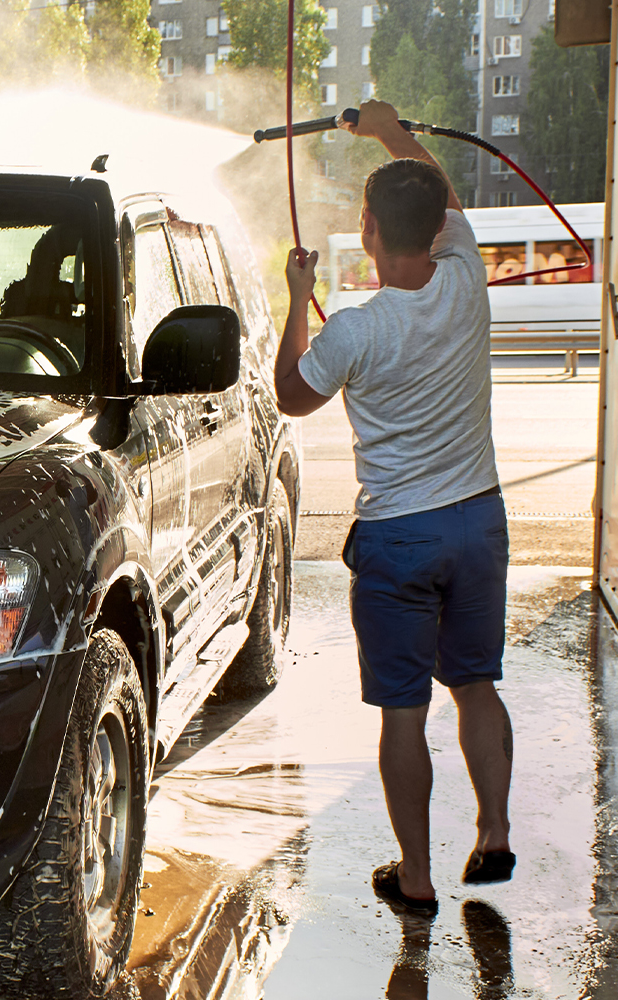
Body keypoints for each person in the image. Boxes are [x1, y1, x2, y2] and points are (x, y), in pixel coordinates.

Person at [275, 99, 514, 916]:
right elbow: (440, 197)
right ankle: (495, 833)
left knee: (404, 714)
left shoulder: (353, 330)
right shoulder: (467, 273)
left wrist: (295, 297)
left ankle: (415, 876)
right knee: (477, 685)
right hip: (477, 522)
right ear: (440, 229)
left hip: (397, 539)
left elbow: (290, 396)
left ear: (369, 229)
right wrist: (385, 132)